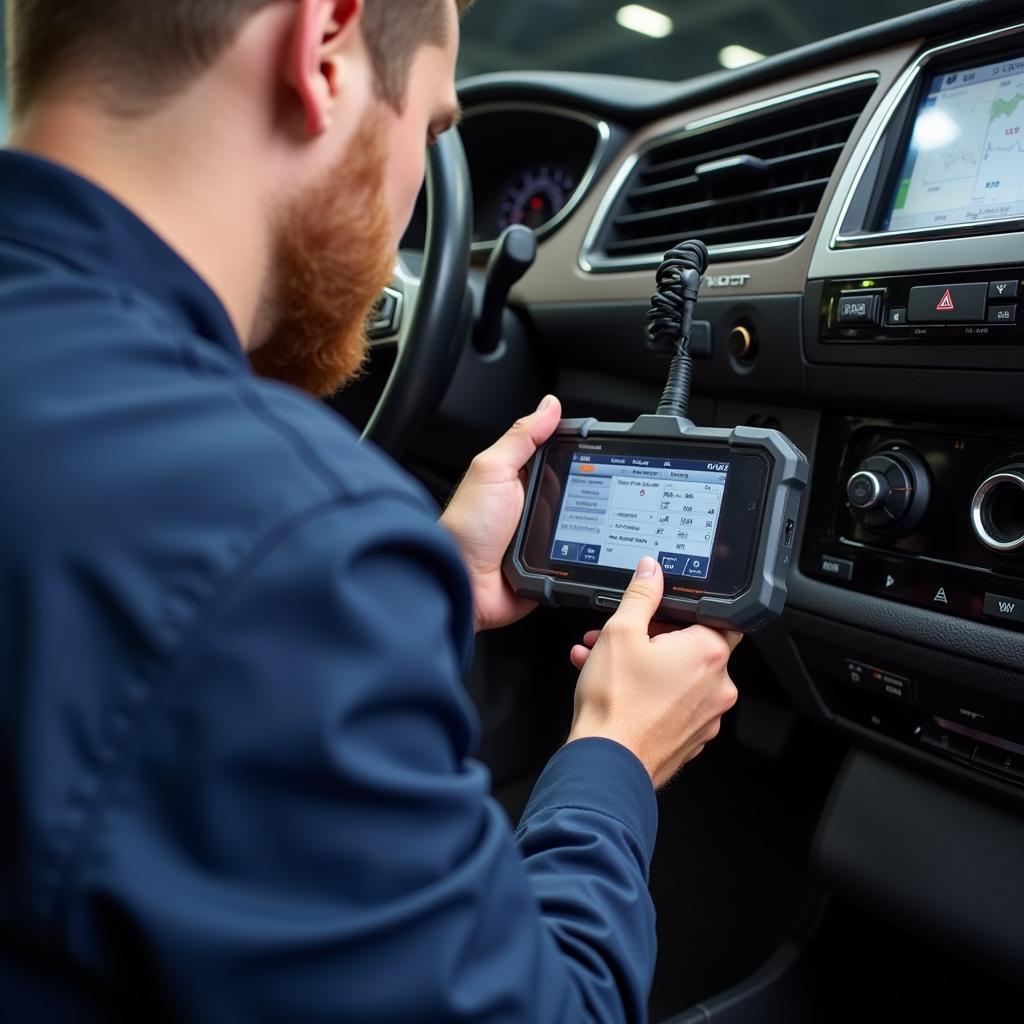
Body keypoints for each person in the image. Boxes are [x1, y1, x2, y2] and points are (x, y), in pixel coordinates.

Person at [0, 1, 739, 1020]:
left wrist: (420, 582)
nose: (409, 206)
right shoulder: (285, 531)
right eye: (434, 130)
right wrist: (614, 754)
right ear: (324, 46)